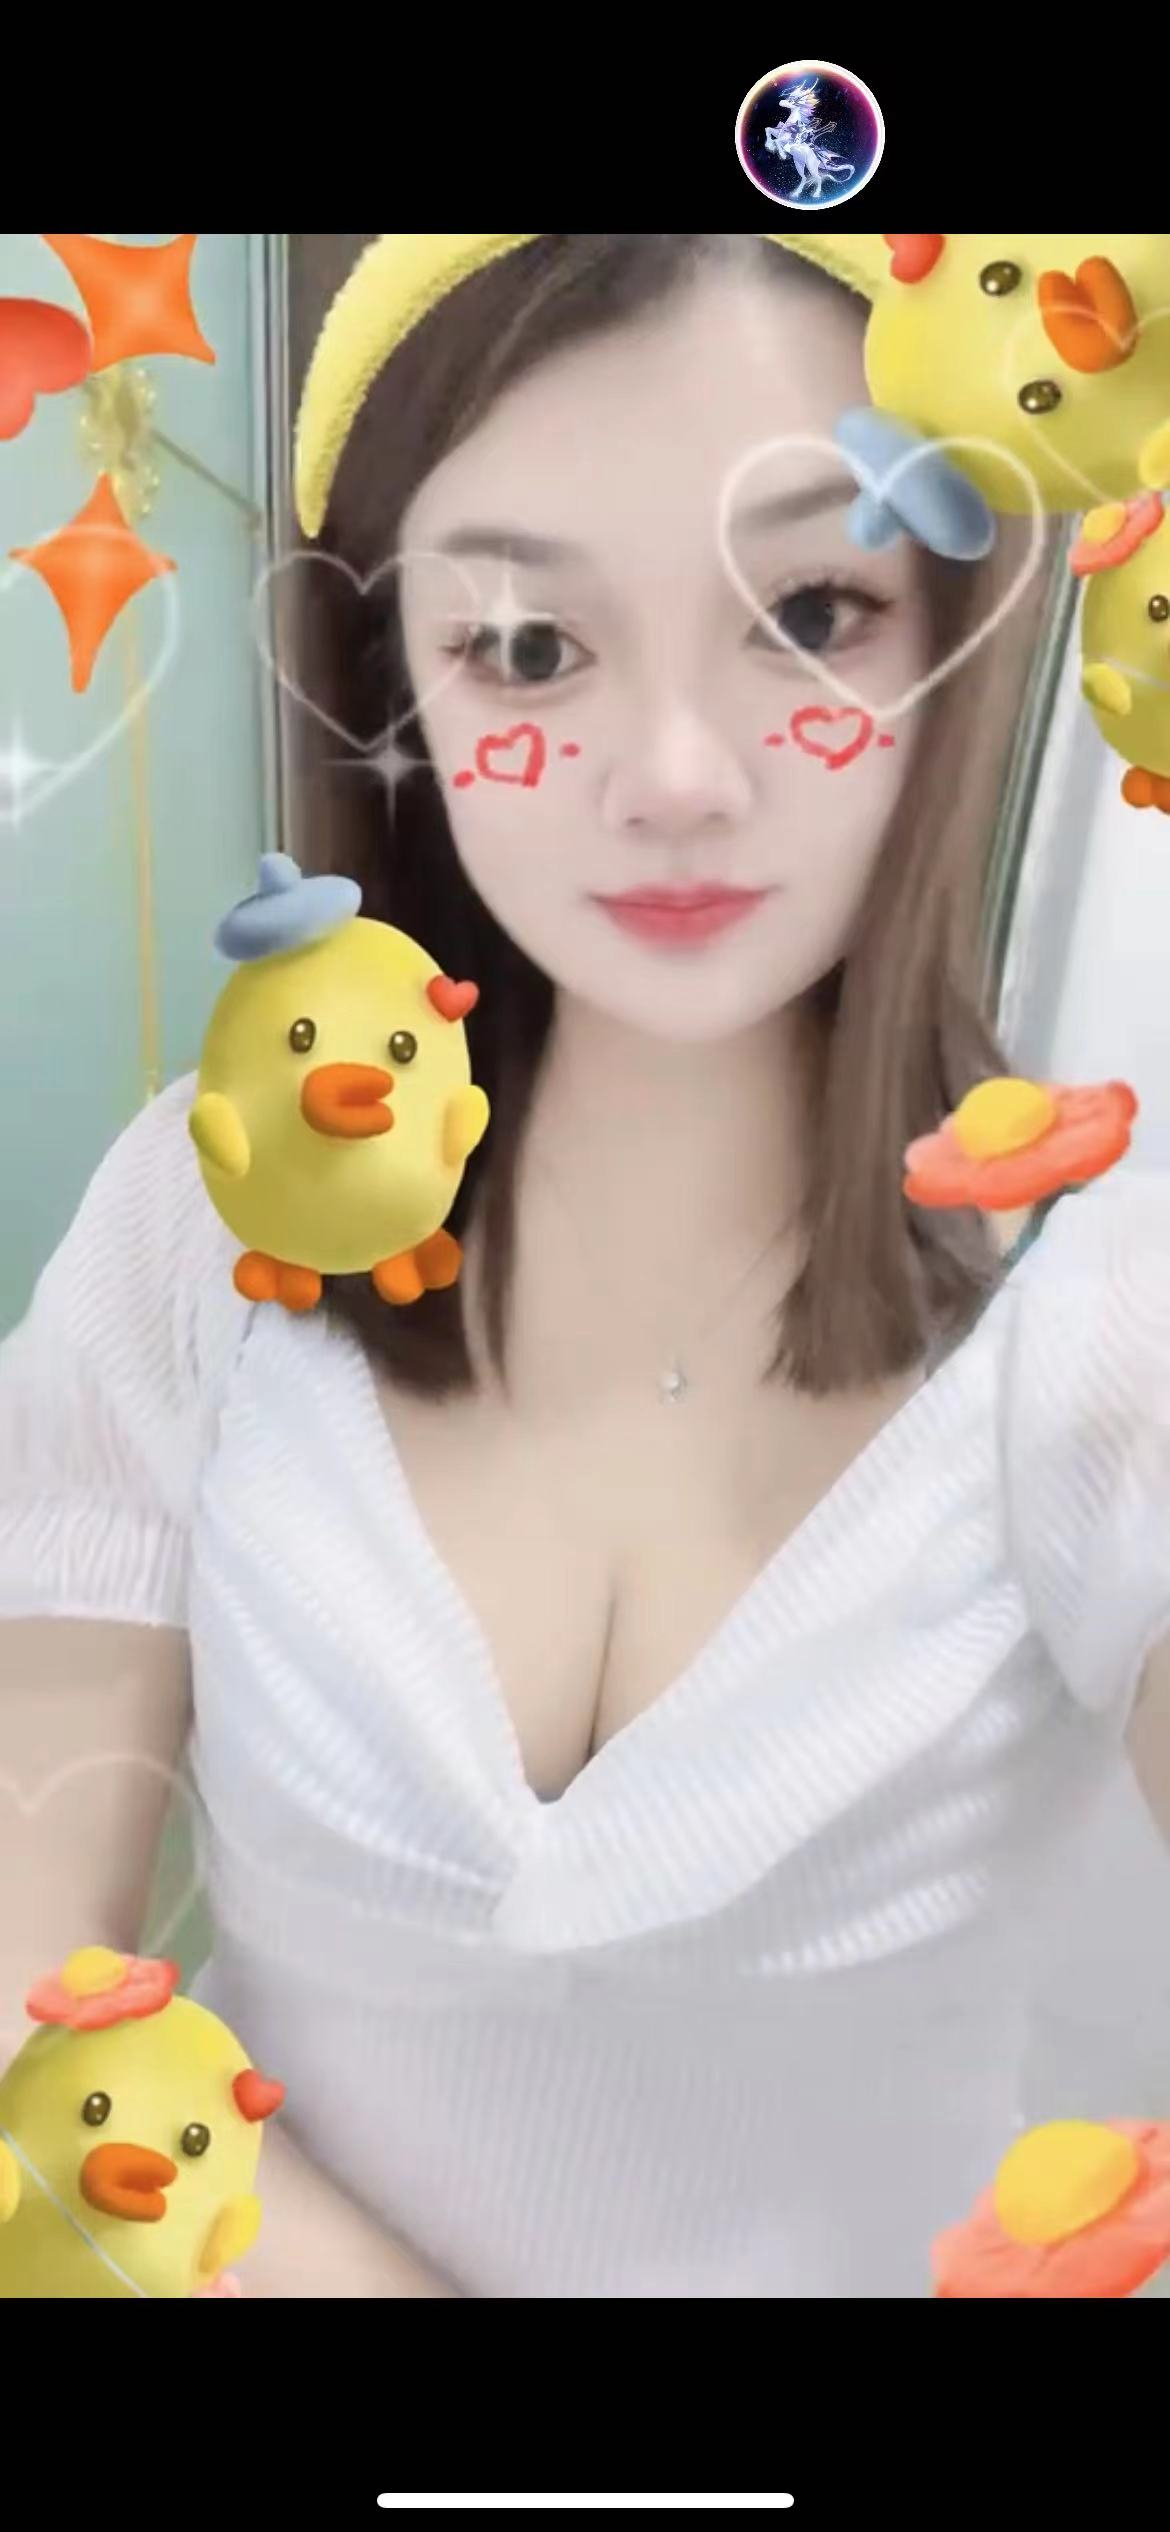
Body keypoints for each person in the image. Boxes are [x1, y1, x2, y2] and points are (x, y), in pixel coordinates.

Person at [1, 231, 1168, 2299]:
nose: (679, 780)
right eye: (530, 647)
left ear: (949, 635)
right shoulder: (203, 1219)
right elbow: (30, 2002)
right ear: (392, 680)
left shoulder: (1099, 1312)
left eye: (811, 615)